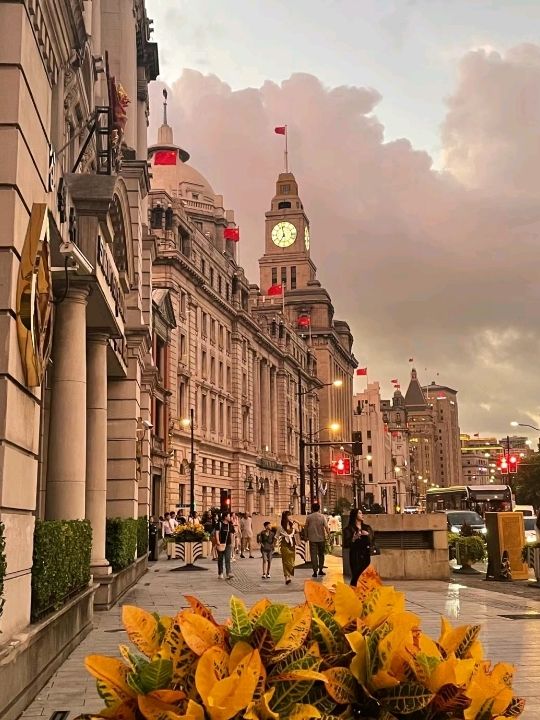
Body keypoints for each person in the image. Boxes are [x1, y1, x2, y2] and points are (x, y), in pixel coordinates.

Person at [343, 508, 373, 586]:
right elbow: (346, 544)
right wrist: (354, 538)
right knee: (356, 575)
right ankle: (353, 591)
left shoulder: (367, 527)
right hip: (355, 554)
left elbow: (372, 540)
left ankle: (363, 593)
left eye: (362, 513)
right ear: (355, 515)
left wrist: (367, 535)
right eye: (360, 513)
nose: (362, 515)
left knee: (364, 576)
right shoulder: (348, 529)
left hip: (365, 554)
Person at [304, 502, 329, 577]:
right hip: (321, 538)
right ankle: (320, 570)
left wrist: (306, 536)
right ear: (319, 508)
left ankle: (315, 571)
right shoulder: (322, 516)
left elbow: (305, 527)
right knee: (321, 554)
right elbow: (326, 527)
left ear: (312, 508)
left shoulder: (309, 517)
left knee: (313, 555)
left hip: (312, 538)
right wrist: (329, 535)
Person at [214, 511, 235, 579]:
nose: (230, 517)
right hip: (220, 543)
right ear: (225, 517)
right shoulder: (219, 524)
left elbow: (232, 535)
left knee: (227, 559)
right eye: (229, 516)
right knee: (220, 559)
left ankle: (228, 573)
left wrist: (232, 543)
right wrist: (217, 541)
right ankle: (220, 573)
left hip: (228, 544)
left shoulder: (230, 526)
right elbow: (217, 533)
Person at [278, 511, 296, 585]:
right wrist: (273, 545)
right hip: (284, 545)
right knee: (285, 561)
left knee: (292, 561)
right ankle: (286, 577)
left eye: (291, 515)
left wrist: (296, 524)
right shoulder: (281, 527)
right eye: (289, 515)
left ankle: (289, 575)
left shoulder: (293, 525)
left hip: (292, 545)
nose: (290, 516)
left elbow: (298, 532)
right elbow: (276, 536)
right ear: (285, 517)